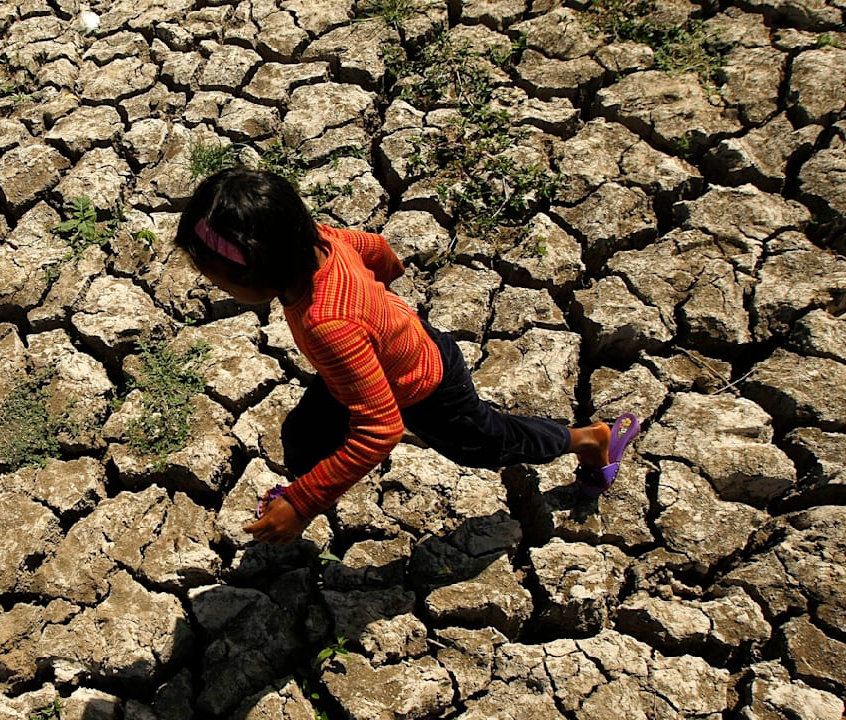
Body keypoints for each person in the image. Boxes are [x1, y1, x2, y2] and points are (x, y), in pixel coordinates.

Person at [173, 167, 640, 545]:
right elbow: (377, 249)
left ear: (261, 272)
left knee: (490, 443)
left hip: (426, 387)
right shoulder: (318, 241)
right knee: (304, 435)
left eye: (219, 280)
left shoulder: (327, 325)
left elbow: (380, 430)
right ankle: (304, 491)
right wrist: (381, 304)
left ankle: (588, 440)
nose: (216, 288)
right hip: (378, 360)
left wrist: (304, 503)